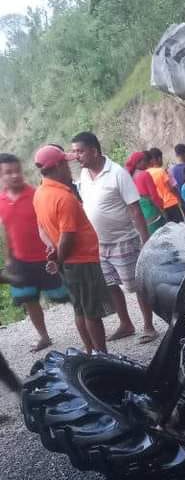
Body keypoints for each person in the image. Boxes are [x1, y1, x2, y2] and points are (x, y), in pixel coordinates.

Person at [71, 131, 156, 343]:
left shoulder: (117, 173)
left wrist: (145, 242)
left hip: (124, 241)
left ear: (94, 150)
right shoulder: (83, 175)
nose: (76, 156)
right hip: (99, 244)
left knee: (137, 284)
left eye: (80, 151)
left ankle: (148, 326)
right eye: (74, 152)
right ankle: (126, 324)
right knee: (110, 285)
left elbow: (135, 209)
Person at [33, 145, 111, 354]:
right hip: (80, 261)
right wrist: (59, 256)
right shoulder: (64, 198)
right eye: (66, 164)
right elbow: (68, 236)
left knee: (80, 310)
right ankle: (103, 358)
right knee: (92, 313)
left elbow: (41, 227)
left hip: (67, 262)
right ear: (57, 166)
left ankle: (89, 353)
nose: (69, 167)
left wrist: (52, 249)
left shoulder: (40, 193)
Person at [0, 153, 67, 351]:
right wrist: (8, 258)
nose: (14, 176)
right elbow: (7, 231)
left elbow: (49, 224)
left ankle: (89, 325)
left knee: (67, 295)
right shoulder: (1, 200)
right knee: (30, 301)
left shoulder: (37, 194)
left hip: (47, 258)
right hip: (20, 262)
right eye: (8, 172)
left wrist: (56, 249)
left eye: (17, 171)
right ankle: (44, 336)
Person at [125, 152, 165, 235]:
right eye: (145, 161)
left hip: (143, 214)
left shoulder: (131, 177)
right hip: (152, 211)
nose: (147, 163)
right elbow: (154, 196)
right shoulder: (145, 174)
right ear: (138, 162)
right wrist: (161, 209)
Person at [145, 148, 185, 223]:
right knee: (180, 225)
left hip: (160, 207)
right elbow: (171, 188)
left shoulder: (146, 173)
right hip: (171, 203)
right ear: (159, 158)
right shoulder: (161, 171)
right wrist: (180, 199)